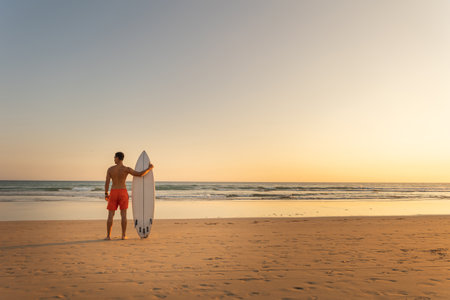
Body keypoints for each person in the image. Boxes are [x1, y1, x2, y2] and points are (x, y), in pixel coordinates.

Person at [104, 151, 153, 240]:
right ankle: (123, 235)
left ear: (118, 158)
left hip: (114, 192)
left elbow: (107, 182)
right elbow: (139, 174)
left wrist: (106, 193)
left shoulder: (110, 169)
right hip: (123, 192)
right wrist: (149, 168)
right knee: (123, 214)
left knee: (110, 215)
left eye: (114, 157)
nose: (114, 159)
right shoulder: (126, 169)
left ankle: (108, 236)